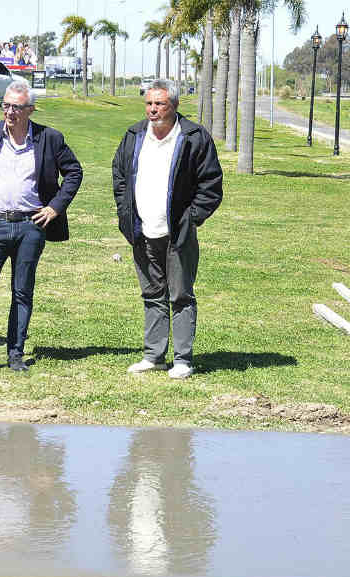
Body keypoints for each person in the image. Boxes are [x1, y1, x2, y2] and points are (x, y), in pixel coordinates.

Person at [0, 79, 83, 373]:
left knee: (22, 292)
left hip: (30, 227)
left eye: (17, 108)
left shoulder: (50, 138)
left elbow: (74, 172)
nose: (9, 112)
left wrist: (55, 207)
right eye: (5, 106)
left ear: (30, 109)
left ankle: (15, 354)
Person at [112, 79, 222, 379]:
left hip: (178, 234)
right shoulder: (134, 135)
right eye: (149, 103)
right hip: (142, 230)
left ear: (174, 105)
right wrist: (126, 214)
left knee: (181, 296)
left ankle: (183, 359)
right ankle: (154, 355)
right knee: (152, 294)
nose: (153, 109)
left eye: (159, 104)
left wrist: (191, 218)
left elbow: (210, 184)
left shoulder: (193, 137)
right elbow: (120, 175)